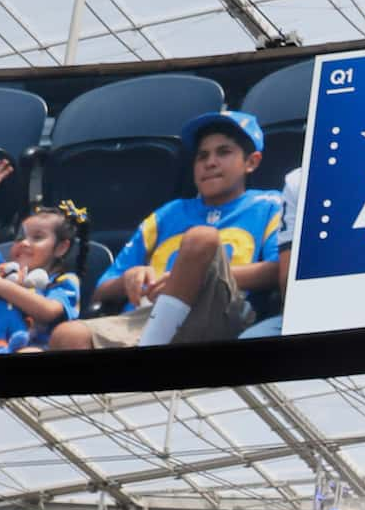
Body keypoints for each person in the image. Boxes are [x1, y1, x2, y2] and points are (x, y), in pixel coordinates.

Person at [49, 110, 284, 350]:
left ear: (251, 161)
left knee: (201, 238)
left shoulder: (270, 205)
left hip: (219, 313)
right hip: (149, 315)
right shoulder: (168, 213)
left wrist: (188, 276)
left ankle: (153, 351)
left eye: (223, 152)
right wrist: (130, 278)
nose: (210, 162)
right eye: (202, 156)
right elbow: (101, 290)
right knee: (68, 335)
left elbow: (278, 269)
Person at [0, 161, 85, 353]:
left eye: (37, 237)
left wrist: (2, 288)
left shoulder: (63, 281)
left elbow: (48, 311)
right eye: (20, 237)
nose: (24, 243)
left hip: (33, 346)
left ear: (61, 248)